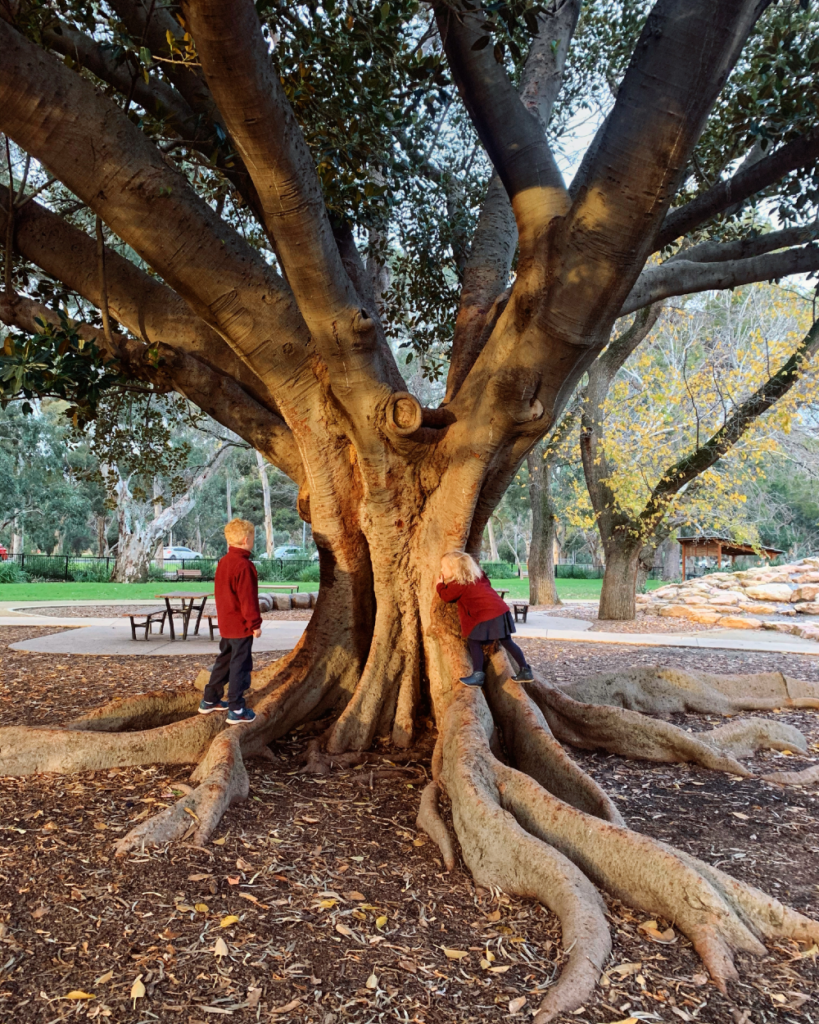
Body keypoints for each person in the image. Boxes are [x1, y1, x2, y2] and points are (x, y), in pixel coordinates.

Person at [436, 549, 533, 687]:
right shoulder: (479, 575)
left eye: (444, 567)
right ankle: (525, 670)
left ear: (454, 568)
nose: (441, 570)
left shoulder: (459, 584)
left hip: (486, 614)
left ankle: (478, 675)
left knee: (474, 641)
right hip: (501, 610)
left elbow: (446, 596)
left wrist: (439, 585)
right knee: (507, 641)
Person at [199, 518, 262, 724]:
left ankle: (210, 699)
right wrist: (255, 624)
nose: (253, 540)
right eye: (253, 537)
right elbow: (248, 599)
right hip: (241, 626)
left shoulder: (224, 562)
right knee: (240, 666)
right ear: (246, 539)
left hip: (226, 624)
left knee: (224, 661)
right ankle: (236, 708)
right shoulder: (244, 566)